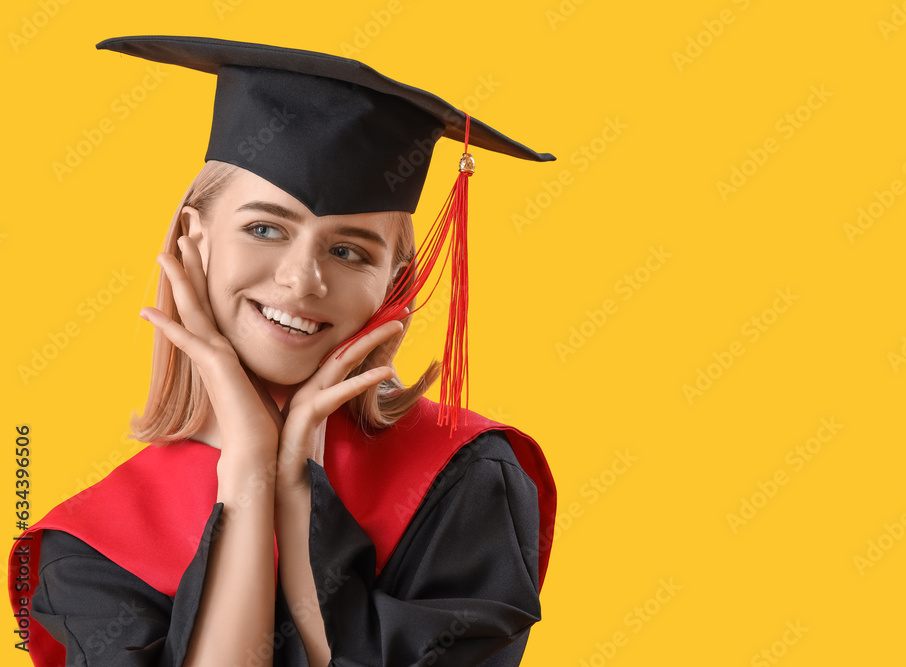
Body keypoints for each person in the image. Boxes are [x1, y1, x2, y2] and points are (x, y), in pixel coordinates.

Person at [7, 35, 556, 666]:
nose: (302, 281)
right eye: (264, 228)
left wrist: (299, 497)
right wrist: (249, 474)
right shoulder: (89, 548)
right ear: (194, 238)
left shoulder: (465, 477)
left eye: (349, 251)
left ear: (395, 283)